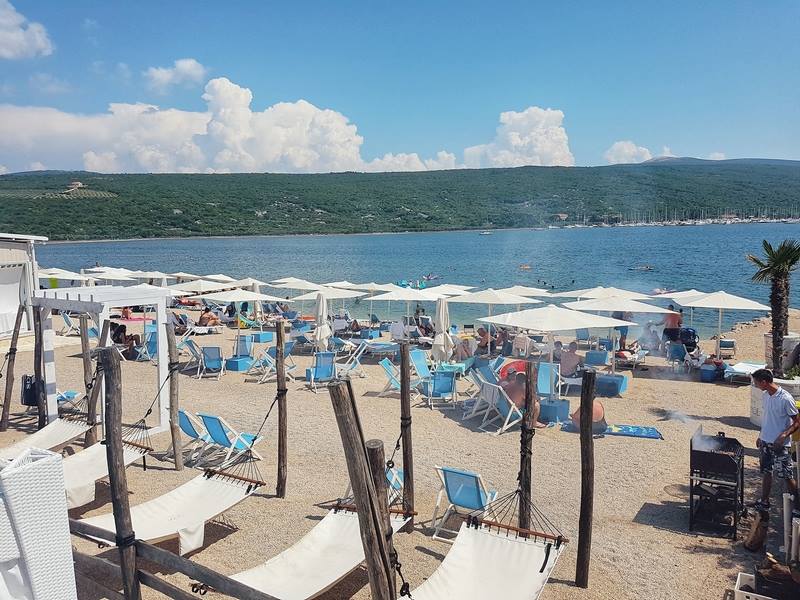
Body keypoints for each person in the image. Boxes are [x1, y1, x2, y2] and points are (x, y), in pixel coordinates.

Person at [751, 368, 800, 513]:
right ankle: (764, 501)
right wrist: (761, 435)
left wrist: (784, 435)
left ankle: (798, 504)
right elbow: (767, 418)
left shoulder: (785, 398)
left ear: (764, 382)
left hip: (780, 445)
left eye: (756, 382)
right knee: (766, 472)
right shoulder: (766, 395)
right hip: (765, 442)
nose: (756, 385)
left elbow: (797, 422)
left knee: (786, 475)